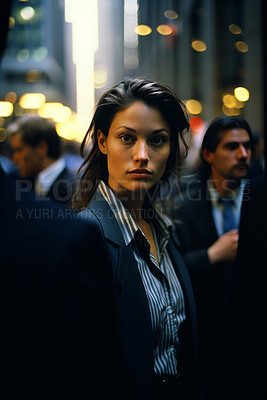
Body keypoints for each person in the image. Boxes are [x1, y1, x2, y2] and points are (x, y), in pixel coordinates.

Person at [72, 77, 198, 400]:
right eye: (127, 138)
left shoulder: (166, 228)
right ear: (102, 142)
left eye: (157, 140)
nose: (142, 155)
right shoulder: (85, 239)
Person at [170, 115, 255, 400]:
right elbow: (172, 269)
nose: (243, 155)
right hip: (205, 340)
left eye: (247, 146)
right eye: (232, 146)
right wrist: (211, 255)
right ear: (208, 154)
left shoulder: (259, 199)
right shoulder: (182, 205)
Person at [9, 115, 76, 207]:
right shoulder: (20, 184)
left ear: (41, 148)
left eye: (19, 150)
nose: (15, 159)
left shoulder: (76, 190)